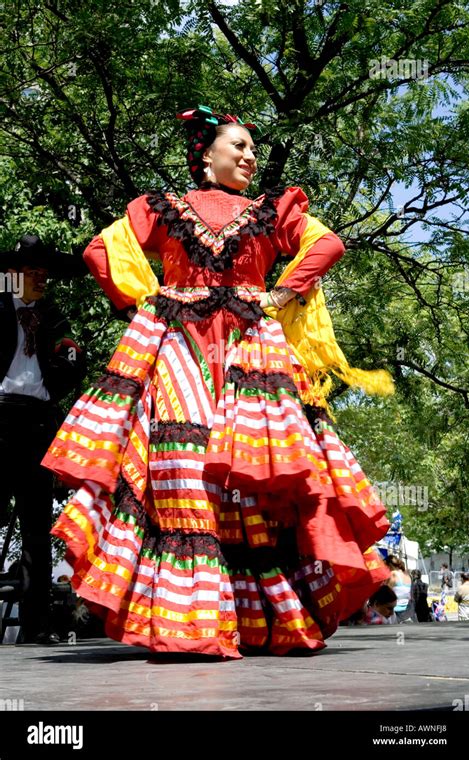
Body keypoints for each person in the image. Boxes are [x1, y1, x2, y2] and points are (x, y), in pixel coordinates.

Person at [42, 105, 394, 658]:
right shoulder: (162, 208)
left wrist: (278, 292)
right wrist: (154, 300)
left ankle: (245, 618)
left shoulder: (270, 211)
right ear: (206, 155)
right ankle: (198, 620)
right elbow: (100, 248)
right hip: (186, 343)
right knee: (184, 464)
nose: (251, 156)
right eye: (240, 147)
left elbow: (328, 245)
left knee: (251, 473)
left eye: (253, 149)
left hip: (246, 347)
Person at [0, 234, 86, 644]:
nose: (40, 279)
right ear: (10, 276)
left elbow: (72, 362)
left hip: (35, 422)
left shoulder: (52, 315)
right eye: (31, 272)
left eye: (43, 273)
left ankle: (36, 628)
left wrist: (57, 379)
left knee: (37, 525)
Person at [384, 555, 415, 623]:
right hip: (407, 610)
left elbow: (386, 593)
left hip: (395, 611)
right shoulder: (407, 575)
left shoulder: (392, 575)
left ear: (389, 565)